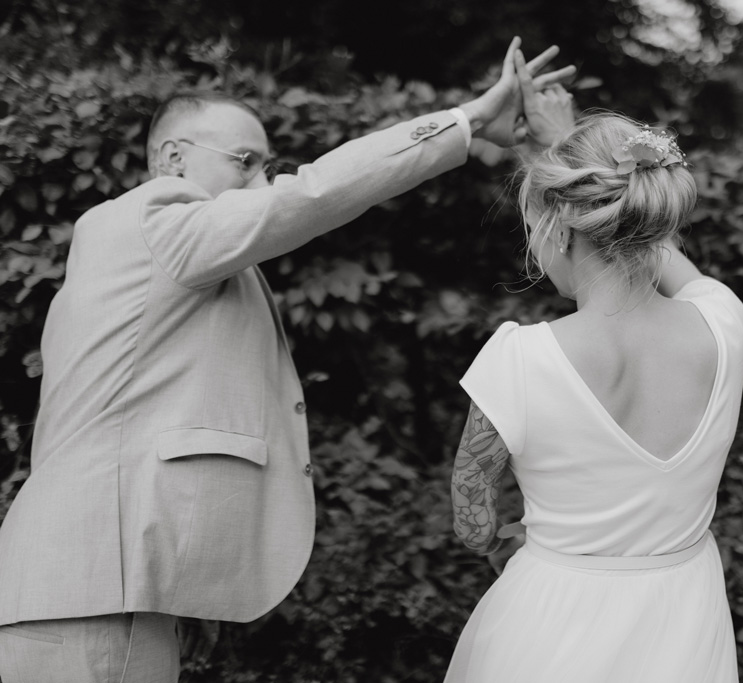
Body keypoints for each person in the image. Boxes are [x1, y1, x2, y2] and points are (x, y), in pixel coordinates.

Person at [0, 38, 574, 682]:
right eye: (244, 161)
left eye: (266, 164)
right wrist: (466, 122)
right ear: (171, 158)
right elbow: (308, 196)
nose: (260, 180)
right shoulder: (156, 217)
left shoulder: (141, 257)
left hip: (91, 578)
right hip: (94, 582)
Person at [444, 82, 743, 681]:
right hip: (685, 616)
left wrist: (505, 545)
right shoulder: (725, 323)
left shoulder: (521, 359)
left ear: (557, 227)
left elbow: (471, 520)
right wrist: (571, 157)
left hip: (551, 619)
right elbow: (655, 247)